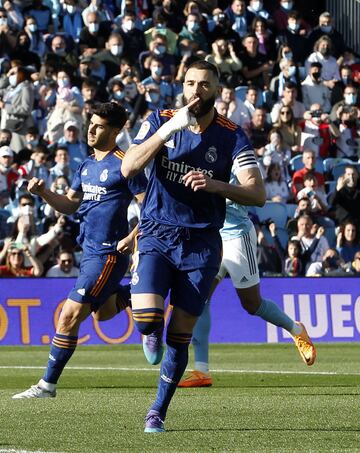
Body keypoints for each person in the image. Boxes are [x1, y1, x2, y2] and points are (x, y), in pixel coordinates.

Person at [121, 59, 273, 433]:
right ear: (181, 84)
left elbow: (258, 193)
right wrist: (167, 130)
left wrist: (217, 185)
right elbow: (129, 168)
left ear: (217, 91)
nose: (196, 91)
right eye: (190, 83)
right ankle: (148, 321)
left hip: (203, 244)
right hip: (157, 233)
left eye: (204, 85)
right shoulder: (160, 119)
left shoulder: (232, 135)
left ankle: (157, 410)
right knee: (147, 322)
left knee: (180, 335)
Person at [12, 102, 147, 399]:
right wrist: (44, 192)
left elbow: (150, 206)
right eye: (91, 123)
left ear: (115, 130)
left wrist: (132, 237)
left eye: (99, 126)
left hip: (110, 253)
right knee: (102, 315)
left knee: (69, 315)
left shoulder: (125, 164)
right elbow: (72, 204)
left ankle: (47, 385)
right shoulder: (86, 165)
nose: (91, 129)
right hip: (89, 253)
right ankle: (137, 291)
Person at [178, 197, 316, 388]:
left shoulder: (241, 165)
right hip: (211, 237)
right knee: (200, 298)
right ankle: (202, 370)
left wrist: (217, 188)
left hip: (237, 237)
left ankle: (296, 329)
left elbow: (256, 194)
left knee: (252, 304)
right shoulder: (199, 166)